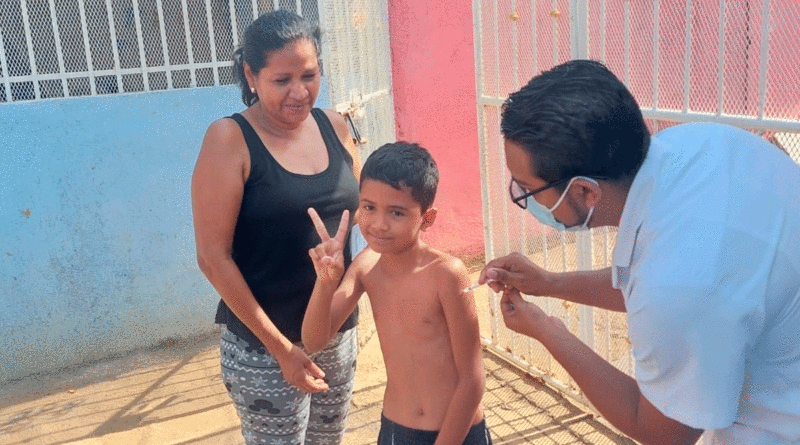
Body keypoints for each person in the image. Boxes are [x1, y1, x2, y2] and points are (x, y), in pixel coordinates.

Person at [478, 58, 800, 445]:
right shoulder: (700, 144)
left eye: (527, 189)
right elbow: (653, 281)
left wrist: (548, 331)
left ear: (584, 191)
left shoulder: (679, 285)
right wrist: (547, 283)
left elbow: (662, 432)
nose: (525, 200)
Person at [191, 10, 362, 445]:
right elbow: (213, 258)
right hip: (265, 349)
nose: (299, 92)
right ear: (251, 75)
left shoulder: (336, 127)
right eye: (282, 79)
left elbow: (367, 217)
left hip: (337, 333)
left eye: (309, 74)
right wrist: (281, 350)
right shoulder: (228, 140)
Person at [303, 142, 492, 445]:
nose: (379, 224)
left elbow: (473, 381)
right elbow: (314, 339)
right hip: (396, 430)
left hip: (457, 432)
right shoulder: (366, 265)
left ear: (426, 219)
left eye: (396, 212)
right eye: (369, 207)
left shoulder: (446, 274)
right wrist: (325, 283)